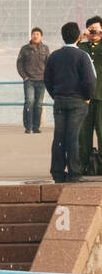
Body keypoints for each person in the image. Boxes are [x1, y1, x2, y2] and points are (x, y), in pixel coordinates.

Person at [44, 22, 97, 183]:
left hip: (60, 100)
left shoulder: (54, 55)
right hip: (78, 101)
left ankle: (57, 172)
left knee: (59, 136)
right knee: (73, 136)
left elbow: (47, 79)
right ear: (77, 37)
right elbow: (90, 80)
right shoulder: (82, 56)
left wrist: (56, 95)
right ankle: (74, 172)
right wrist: (87, 97)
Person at [77, 17, 102, 174]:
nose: (94, 33)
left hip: (100, 95)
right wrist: (80, 37)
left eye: (97, 29)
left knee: (101, 131)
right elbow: (71, 51)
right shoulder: (81, 46)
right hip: (85, 97)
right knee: (83, 133)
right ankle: (83, 165)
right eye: (91, 29)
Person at [16, 27, 50, 135]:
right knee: (29, 102)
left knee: (39, 104)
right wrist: (24, 76)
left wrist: (48, 77)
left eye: (37, 34)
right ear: (31, 35)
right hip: (29, 80)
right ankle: (28, 126)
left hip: (42, 80)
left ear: (41, 36)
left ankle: (36, 127)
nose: (35, 36)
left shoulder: (45, 48)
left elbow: (49, 64)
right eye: (33, 34)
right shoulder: (25, 49)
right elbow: (19, 64)